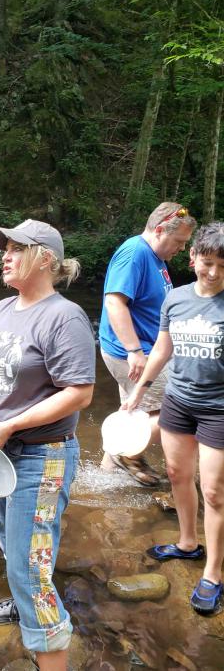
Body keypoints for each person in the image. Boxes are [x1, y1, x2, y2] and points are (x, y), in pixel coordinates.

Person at [0, 219, 95, 671]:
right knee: (10, 543)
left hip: (43, 455)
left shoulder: (65, 318)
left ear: (45, 259)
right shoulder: (0, 308)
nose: (5, 256)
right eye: (5, 248)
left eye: (16, 249)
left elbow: (79, 392)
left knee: (29, 568)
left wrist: (13, 422)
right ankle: (25, 608)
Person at [124, 223, 224, 616]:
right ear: (193, 258)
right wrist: (139, 390)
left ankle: (213, 574)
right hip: (178, 401)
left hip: (218, 408)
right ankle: (187, 543)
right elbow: (163, 346)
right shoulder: (176, 299)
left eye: (222, 265)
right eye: (208, 262)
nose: (213, 272)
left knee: (215, 492)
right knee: (177, 474)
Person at [99, 203, 196, 486]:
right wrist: (134, 351)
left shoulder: (155, 257)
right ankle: (124, 452)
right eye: (179, 241)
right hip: (131, 352)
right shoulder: (135, 253)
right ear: (158, 230)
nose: (181, 249)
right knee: (185, 407)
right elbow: (114, 302)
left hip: (146, 350)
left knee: (133, 412)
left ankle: (106, 481)